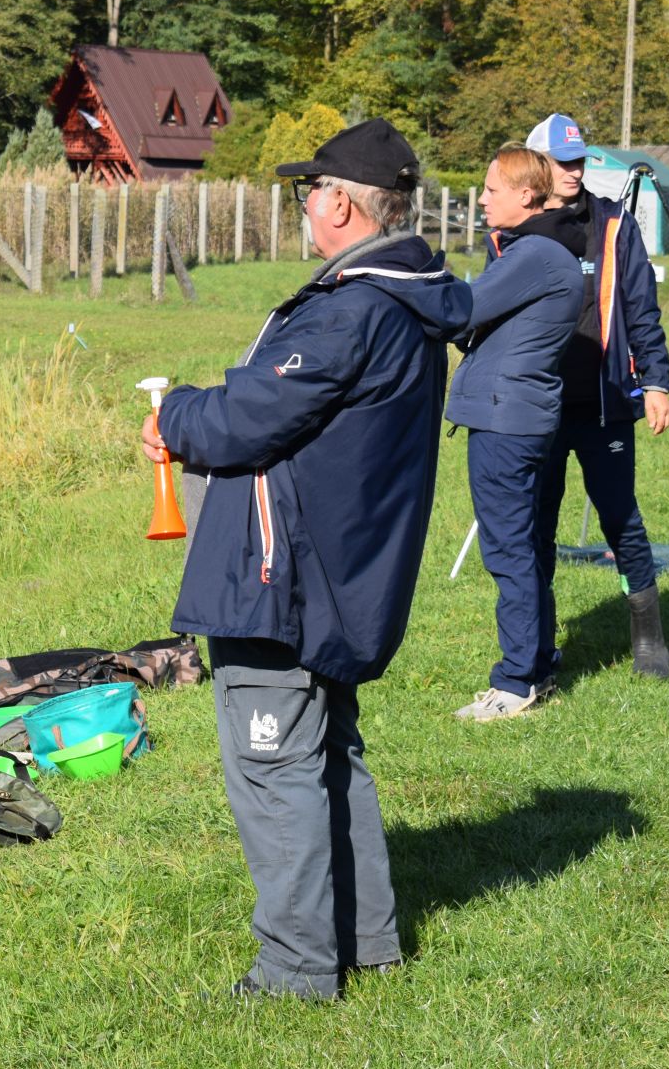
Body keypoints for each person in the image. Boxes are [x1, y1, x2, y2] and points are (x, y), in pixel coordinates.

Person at [142, 118, 468, 1000]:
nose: (304, 205)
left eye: (308, 191)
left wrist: (173, 418)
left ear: (338, 204)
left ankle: (295, 968)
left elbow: (250, 416)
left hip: (284, 575)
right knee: (326, 754)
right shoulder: (402, 298)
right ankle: (366, 940)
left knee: (274, 764)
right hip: (336, 566)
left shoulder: (353, 307)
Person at [521, 113, 669, 679]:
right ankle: (536, 647)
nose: (573, 170)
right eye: (561, 161)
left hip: (604, 403)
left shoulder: (614, 225)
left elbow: (642, 311)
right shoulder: (514, 227)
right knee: (536, 523)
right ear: (537, 163)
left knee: (620, 518)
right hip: (536, 406)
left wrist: (655, 382)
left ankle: (649, 637)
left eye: (579, 160)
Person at [450, 146, 586, 721]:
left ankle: (514, 683)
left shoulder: (533, 253)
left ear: (527, 195)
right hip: (521, 416)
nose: (482, 198)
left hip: (506, 420)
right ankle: (538, 665)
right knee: (527, 547)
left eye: (492, 189)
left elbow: (461, 311)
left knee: (508, 550)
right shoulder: (541, 253)